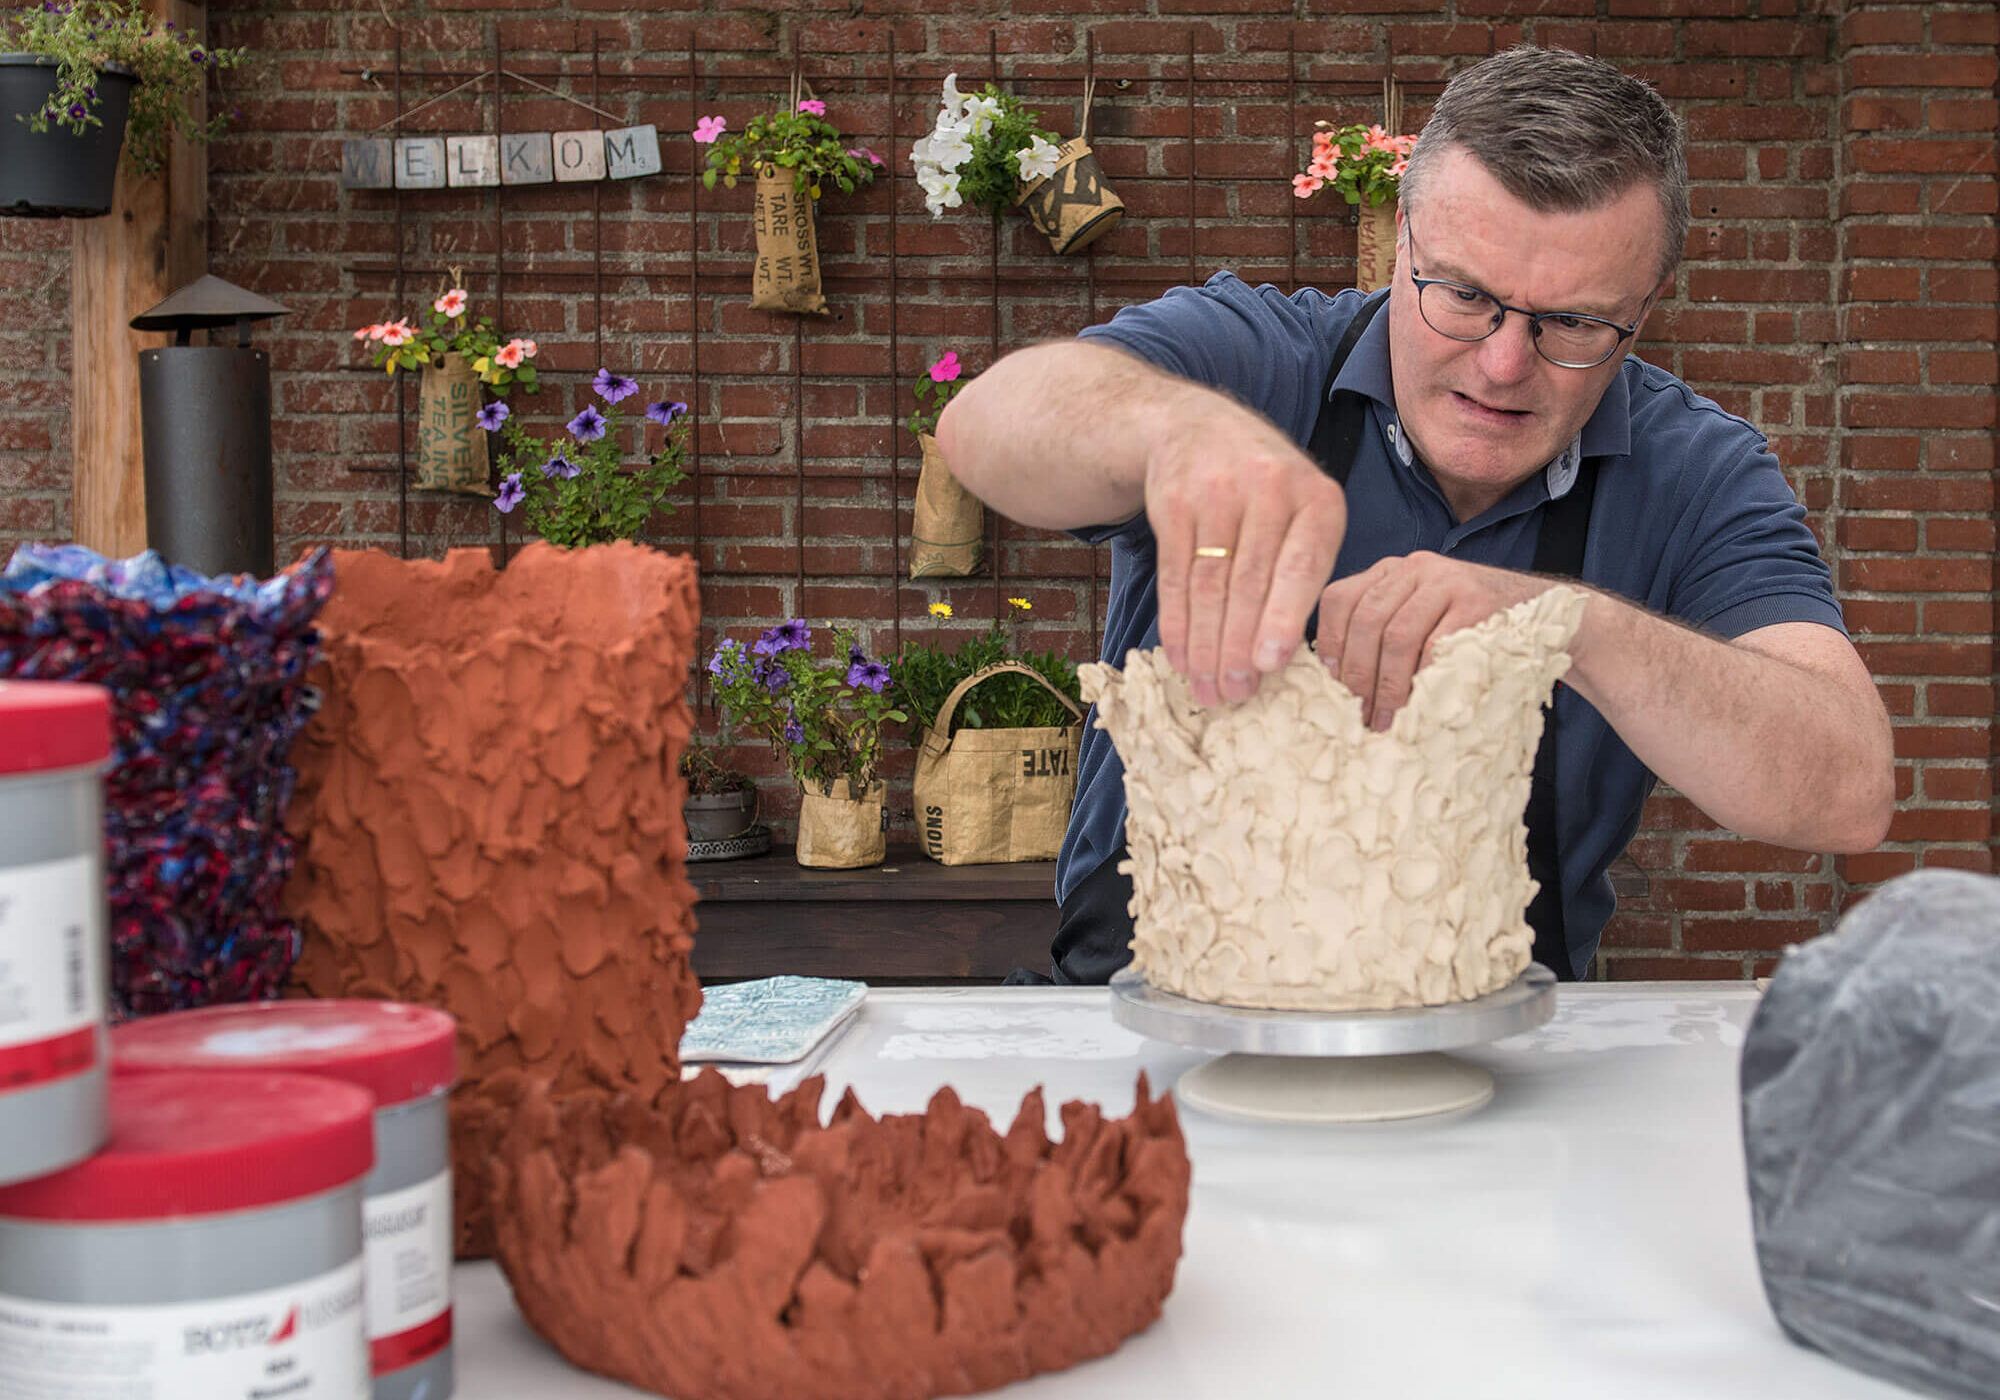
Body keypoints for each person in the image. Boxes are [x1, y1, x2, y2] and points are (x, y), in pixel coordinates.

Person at [937, 45, 1894, 986]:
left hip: (1497, 1038)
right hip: (1154, 1019)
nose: (1503, 365)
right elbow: (983, 425)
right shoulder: (1257, 358)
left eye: (1573, 322)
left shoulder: (1696, 472)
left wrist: (1568, 626)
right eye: (1465, 295)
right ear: (1400, 242)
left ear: (1645, 307)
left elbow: (1849, 789)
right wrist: (1171, 429)